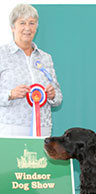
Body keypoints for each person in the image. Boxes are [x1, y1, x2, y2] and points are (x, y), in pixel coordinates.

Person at [0, 4, 62, 136]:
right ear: (12, 27)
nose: (27, 28)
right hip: (11, 127)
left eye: (32, 23)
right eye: (22, 23)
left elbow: (58, 98)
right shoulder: (2, 54)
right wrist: (10, 94)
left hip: (43, 128)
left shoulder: (46, 58)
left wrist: (52, 95)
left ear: (36, 27)